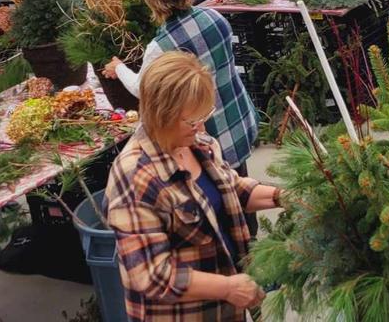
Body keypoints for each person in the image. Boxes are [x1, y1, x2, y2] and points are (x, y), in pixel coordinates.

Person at [105, 51, 282, 322]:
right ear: (160, 115)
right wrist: (228, 288)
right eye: (190, 120)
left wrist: (281, 196)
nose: (200, 125)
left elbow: (231, 189)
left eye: (203, 114)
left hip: (225, 311)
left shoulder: (199, 144)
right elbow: (151, 274)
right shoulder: (136, 176)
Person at [103, 0, 258, 205]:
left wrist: (119, 67)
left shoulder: (160, 47)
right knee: (243, 189)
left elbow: (141, 88)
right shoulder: (215, 17)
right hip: (236, 119)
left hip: (206, 137)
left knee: (222, 201)